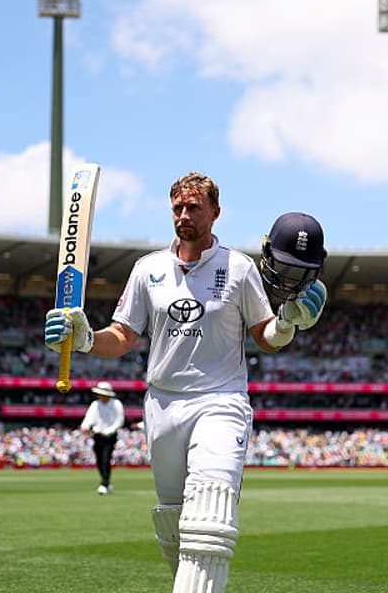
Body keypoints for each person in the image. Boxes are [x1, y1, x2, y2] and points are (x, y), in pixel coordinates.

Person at [46, 172, 327, 593]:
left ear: (215, 212)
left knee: (209, 518)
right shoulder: (149, 269)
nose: (184, 215)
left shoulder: (239, 269)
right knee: (175, 522)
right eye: (177, 207)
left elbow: (265, 336)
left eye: (194, 207)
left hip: (221, 400)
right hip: (162, 405)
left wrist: (287, 323)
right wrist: (84, 338)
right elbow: (122, 336)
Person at [79, 380, 124, 495]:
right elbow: (88, 418)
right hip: (97, 435)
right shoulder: (95, 404)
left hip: (110, 436)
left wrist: (108, 431)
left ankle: (104, 483)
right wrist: (85, 426)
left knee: (105, 459)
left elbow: (119, 421)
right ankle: (107, 483)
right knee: (99, 460)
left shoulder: (116, 404)